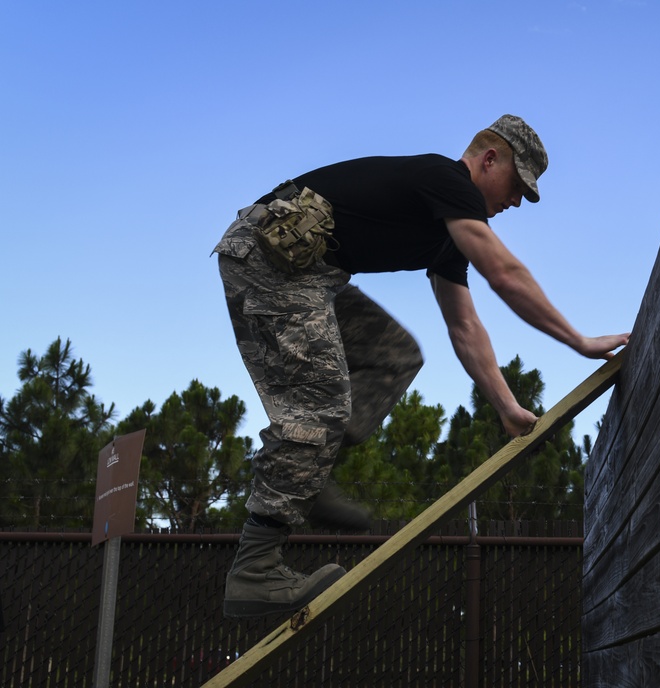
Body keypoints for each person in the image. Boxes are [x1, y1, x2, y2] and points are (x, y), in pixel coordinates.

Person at [212, 115, 629, 618]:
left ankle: (311, 473)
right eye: (517, 186)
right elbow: (504, 273)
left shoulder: (450, 232)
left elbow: (465, 327)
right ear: (489, 159)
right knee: (318, 407)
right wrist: (578, 341)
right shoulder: (447, 181)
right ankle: (255, 570)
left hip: (309, 272)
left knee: (395, 355)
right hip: (268, 256)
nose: (516, 201)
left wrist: (506, 407)